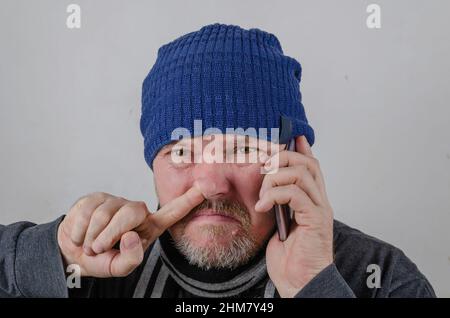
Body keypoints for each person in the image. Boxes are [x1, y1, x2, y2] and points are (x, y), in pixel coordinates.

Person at [0, 23, 435, 298]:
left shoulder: (383, 277)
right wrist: (47, 255)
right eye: (182, 152)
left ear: (293, 155)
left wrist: (313, 286)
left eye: (244, 149)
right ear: (152, 164)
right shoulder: (93, 267)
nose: (211, 185)